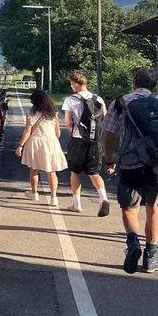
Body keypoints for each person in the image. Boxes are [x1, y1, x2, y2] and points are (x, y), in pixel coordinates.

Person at [102, 67, 158, 275]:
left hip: (129, 163)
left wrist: (109, 159)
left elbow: (109, 134)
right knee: (154, 208)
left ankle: (132, 243)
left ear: (134, 82)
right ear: (153, 85)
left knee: (129, 208)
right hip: (157, 163)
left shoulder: (121, 103)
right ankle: (151, 257)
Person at [60, 70, 110, 217]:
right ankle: (103, 198)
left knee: (75, 172)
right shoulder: (98, 99)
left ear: (76, 84)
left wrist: (74, 131)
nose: (71, 86)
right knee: (94, 173)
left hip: (78, 140)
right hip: (96, 142)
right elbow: (105, 119)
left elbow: (68, 122)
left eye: (71, 83)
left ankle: (77, 204)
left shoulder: (71, 100)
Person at [16, 89, 68, 204]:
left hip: (35, 142)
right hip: (51, 142)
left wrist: (20, 145)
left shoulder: (31, 113)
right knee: (51, 171)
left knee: (34, 169)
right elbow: (58, 133)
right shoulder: (53, 114)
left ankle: (34, 193)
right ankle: (54, 197)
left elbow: (27, 131)